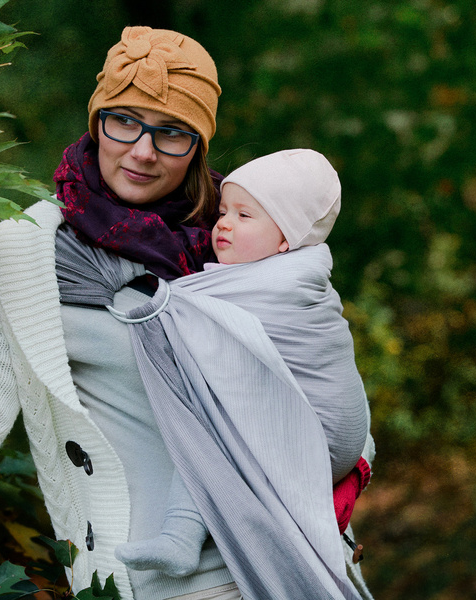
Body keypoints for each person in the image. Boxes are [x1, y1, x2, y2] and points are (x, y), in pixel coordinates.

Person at [0, 25, 373, 600]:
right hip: (162, 585)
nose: (143, 150)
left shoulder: (243, 234)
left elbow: (323, 383)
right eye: (123, 120)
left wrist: (347, 472)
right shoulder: (28, 251)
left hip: (294, 561)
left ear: (198, 144)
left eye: (172, 133)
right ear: (96, 120)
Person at [113, 149, 372, 583]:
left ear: (286, 238)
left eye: (245, 215)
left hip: (319, 438)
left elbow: (177, 307)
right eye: (222, 212)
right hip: (348, 436)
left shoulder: (275, 284)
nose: (224, 225)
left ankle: (180, 536)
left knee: (209, 429)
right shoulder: (297, 273)